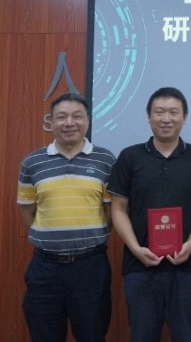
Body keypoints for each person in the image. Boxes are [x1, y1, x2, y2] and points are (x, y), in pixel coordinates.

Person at [108, 87, 191, 342]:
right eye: (159, 112)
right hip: (140, 265)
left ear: (184, 117)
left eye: (173, 112)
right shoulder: (129, 157)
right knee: (142, 336)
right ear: (149, 117)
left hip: (186, 265)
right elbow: (118, 208)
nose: (166, 118)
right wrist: (135, 248)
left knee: (187, 335)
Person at [17, 93, 115, 342]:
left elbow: (110, 211)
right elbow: (27, 210)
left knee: (92, 335)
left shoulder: (105, 160)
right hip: (45, 267)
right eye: (61, 117)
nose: (69, 122)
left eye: (77, 116)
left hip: (90, 266)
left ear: (88, 121)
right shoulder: (32, 162)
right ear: (50, 121)